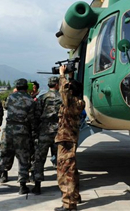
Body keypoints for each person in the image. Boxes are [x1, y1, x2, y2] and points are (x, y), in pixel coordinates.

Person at [0, 78, 35, 196]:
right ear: (26, 88)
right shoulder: (30, 100)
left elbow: (6, 106)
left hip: (9, 131)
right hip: (22, 131)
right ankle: (22, 186)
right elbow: (32, 118)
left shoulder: (10, 97)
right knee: (23, 158)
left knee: (1, 157)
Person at [54, 65, 85, 211]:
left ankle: (68, 205)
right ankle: (75, 197)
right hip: (70, 139)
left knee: (64, 173)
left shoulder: (70, 102)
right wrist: (71, 76)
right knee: (72, 170)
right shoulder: (78, 101)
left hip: (66, 140)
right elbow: (70, 90)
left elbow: (64, 90)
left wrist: (62, 75)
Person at [32, 75, 62, 195]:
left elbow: (36, 115)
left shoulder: (42, 98)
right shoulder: (62, 97)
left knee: (39, 159)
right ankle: (62, 185)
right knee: (60, 160)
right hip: (59, 131)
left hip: (44, 131)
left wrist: (36, 131)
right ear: (56, 85)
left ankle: (37, 185)